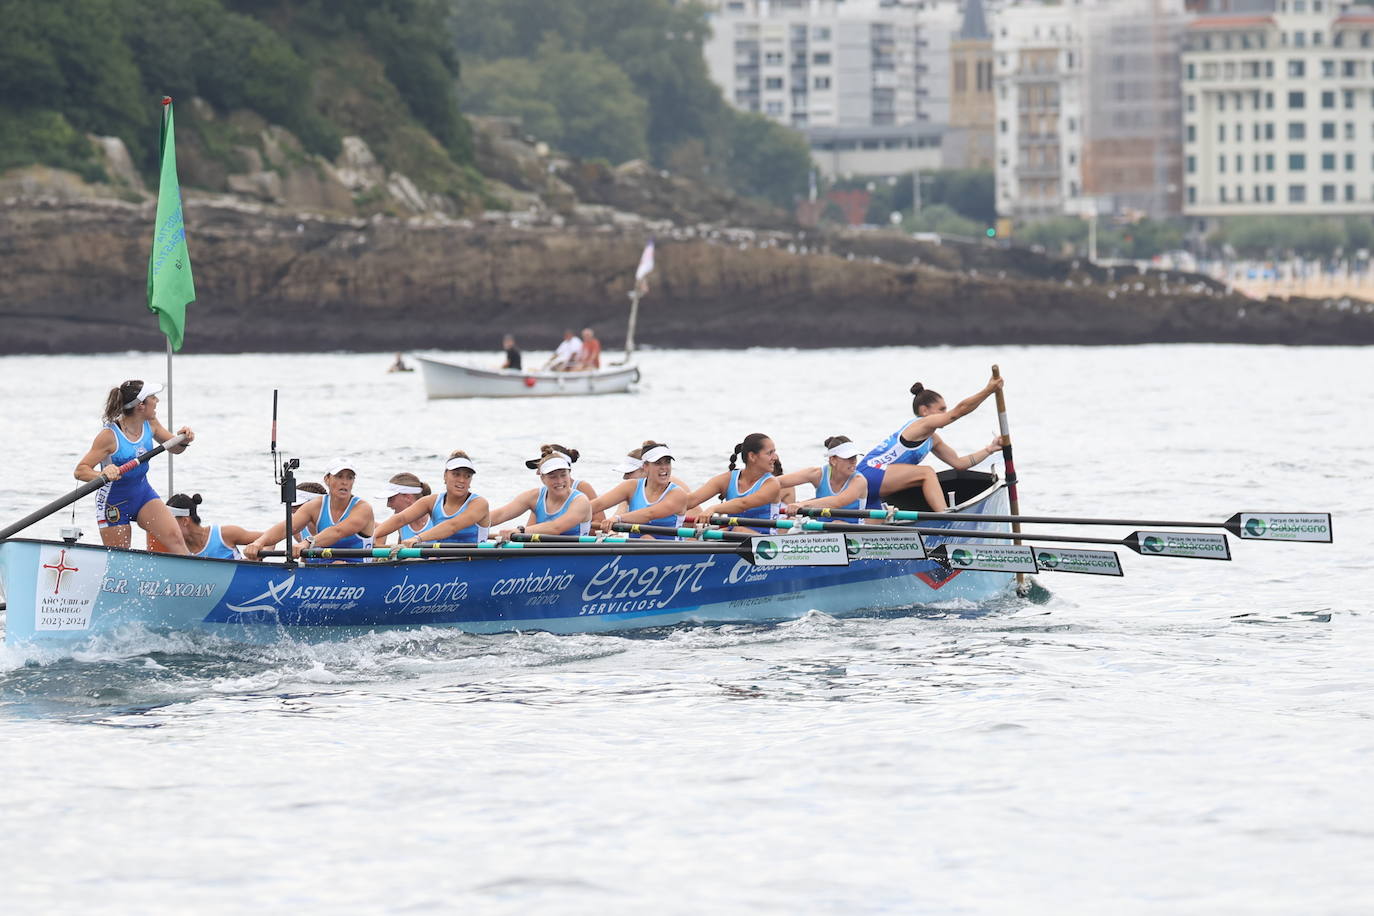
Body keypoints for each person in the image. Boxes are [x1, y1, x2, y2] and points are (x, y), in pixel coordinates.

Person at [74, 379, 196, 553]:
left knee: (176, 540)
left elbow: (176, 449)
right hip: (113, 502)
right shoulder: (109, 436)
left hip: (143, 493)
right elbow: (80, 471)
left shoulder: (151, 424)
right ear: (141, 406)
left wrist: (183, 439)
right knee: (120, 559)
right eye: (153, 397)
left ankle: (190, 577)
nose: (157, 401)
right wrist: (103, 474)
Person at [858, 375, 1005, 512]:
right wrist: (988, 391)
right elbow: (957, 412)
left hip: (876, 482)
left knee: (876, 526)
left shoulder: (932, 439)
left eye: (946, 410)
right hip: (867, 473)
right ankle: (945, 518)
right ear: (924, 411)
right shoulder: (921, 424)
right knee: (927, 473)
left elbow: (960, 463)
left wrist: (990, 449)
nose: (946, 413)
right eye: (941, 409)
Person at [243, 460, 375, 561]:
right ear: (327, 479)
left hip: (357, 568)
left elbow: (337, 531)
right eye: (339, 476)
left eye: (349, 477)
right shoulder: (315, 505)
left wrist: (306, 543)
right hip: (323, 568)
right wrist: (259, 542)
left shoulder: (363, 508)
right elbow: (286, 527)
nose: (345, 482)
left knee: (338, 564)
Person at [373, 452, 489, 546]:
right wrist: (372, 537)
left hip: (474, 563)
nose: (462, 480)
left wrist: (418, 538)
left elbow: (452, 526)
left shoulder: (479, 504)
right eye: (456, 474)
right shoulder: (431, 501)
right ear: (445, 476)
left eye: (467, 476)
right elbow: (401, 519)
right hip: (443, 562)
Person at [684, 433, 781, 534]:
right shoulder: (728, 479)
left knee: (737, 530)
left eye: (774, 452)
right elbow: (692, 500)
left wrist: (713, 508)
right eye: (770, 453)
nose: (775, 457)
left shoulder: (772, 484)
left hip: (765, 542)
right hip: (734, 535)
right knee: (695, 537)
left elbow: (743, 504)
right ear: (752, 456)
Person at [592, 442, 688, 538]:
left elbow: (649, 514)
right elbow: (599, 504)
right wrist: (579, 510)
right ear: (645, 466)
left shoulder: (678, 494)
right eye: (658, 463)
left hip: (670, 551)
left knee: (646, 538)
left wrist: (618, 518)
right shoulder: (631, 486)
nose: (664, 467)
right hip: (635, 550)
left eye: (667, 462)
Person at [490, 452, 592, 538]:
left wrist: (520, 530)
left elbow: (556, 528)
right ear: (542, 478)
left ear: (569, 474)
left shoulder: (580, 501)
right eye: (553, 477)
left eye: (563, 475)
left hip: (575, 554)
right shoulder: (533, 496)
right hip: (543, 552)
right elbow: (501, 515)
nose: (560, 481)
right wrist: (477, 522)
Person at [776, 436, 869, 519]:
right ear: (833, 460)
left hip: (852, 530)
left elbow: (838, 501)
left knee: (836, 524)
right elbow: (777, 482)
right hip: (823, 532)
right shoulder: (817, 474)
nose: (853, 461)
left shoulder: (859, 481)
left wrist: (802, 504)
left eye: (854, 457)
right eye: (848, 458)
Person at [166, 493, 263, 559]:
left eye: (169, 521)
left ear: (185, 521)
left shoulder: (225, 534)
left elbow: (269, 540)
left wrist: (255, 559)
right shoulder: (175, 549)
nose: (165, 527)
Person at [523, 444, 603, 523]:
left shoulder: (582, 487)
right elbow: (529, 528)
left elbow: (599, 520)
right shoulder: (543, 495)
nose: (537, 472)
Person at [373, 472, 431, 545]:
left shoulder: (435, 518)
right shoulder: (401, 526)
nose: (388, 504)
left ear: (407, 497)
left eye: (391, 498)